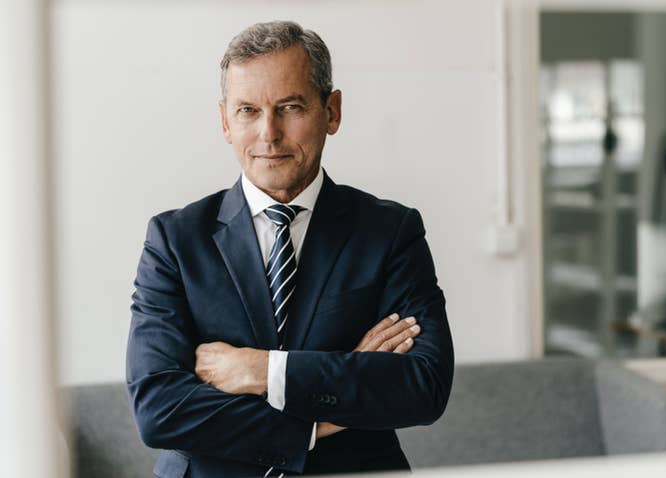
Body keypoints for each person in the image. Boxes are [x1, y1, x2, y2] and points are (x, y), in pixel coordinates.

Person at [126, 20, 454, 478]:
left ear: (332, 111)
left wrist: (263, 370)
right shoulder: (175, 240)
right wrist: (319, 419)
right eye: (247, 111)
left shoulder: (390, 232)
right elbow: (159, 409)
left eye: (291, 106)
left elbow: (423, 386)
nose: (269, 133)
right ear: (225, 121)